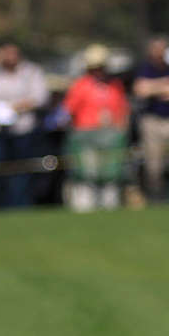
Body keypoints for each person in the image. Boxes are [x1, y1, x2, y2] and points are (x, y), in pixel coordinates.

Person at [61, 44, 129, 212]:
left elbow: (123, 109)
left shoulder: (114, 85)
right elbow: (69, 111)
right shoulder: (80, 86)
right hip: (86, 136)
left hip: (112, 138)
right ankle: (85, 207)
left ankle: (109, 206)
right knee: (87, 174)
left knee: (110, 174)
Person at [0, 41, 50, 209]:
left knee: (21, 171)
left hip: (22, 128)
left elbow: (41, 98)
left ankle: (21, 206)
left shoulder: (31, 72)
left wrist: (16, 106)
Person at [132, 35, 169, 201]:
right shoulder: (145, 69)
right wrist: (167, 85)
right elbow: (140, 89)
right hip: (152, 121)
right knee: (154, 164)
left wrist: (154, 88)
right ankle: (156, 196)